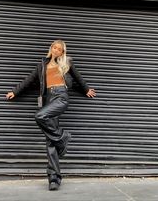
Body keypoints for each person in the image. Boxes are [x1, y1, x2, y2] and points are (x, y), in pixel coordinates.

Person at [6, 40, 96, 191]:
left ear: (62, 52)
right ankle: (53, 177)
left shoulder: (67, 63)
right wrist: (15, 92)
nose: (56, 50)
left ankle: (62, 138)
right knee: (50, 141)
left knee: (39, 117)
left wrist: (86, 89)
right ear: (51, 49)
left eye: (59, 49)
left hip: (61, 96)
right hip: (48, 98)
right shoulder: (42, 65)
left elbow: (78, 77)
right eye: (54, 47)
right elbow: (29, 80)